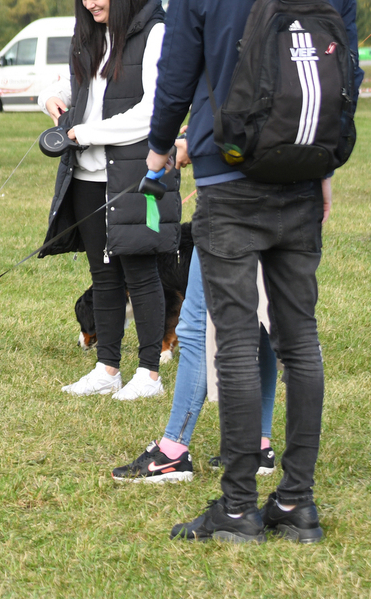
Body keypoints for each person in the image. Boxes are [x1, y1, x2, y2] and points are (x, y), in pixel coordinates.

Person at [147, 0, 359, 544]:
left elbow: (177, 76)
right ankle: (296, 502)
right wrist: (323, 167)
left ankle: (236, 508)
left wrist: (157, 152)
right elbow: (345, 75)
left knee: (235, 344)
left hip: (229, 175)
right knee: (301, 339)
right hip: (303, 174)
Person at [38, 0, 180, 402]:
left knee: (141, 271)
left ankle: (150, 375)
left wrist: (89, 131)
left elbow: (155, 112)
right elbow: (80, 85)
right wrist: (54, 97)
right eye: (82, 0)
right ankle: (107, 368)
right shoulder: (90, 35)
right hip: (86, 174)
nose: (89, 7)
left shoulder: (155, 32)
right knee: (103, 276)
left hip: (136, 174)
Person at [112, 136, 280, 482]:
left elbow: (218, 100)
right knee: (262, 320)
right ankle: (257, 446)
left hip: (230, 196)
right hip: (286, 190)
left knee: (194, 329)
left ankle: (173, 452)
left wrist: (190, 141)